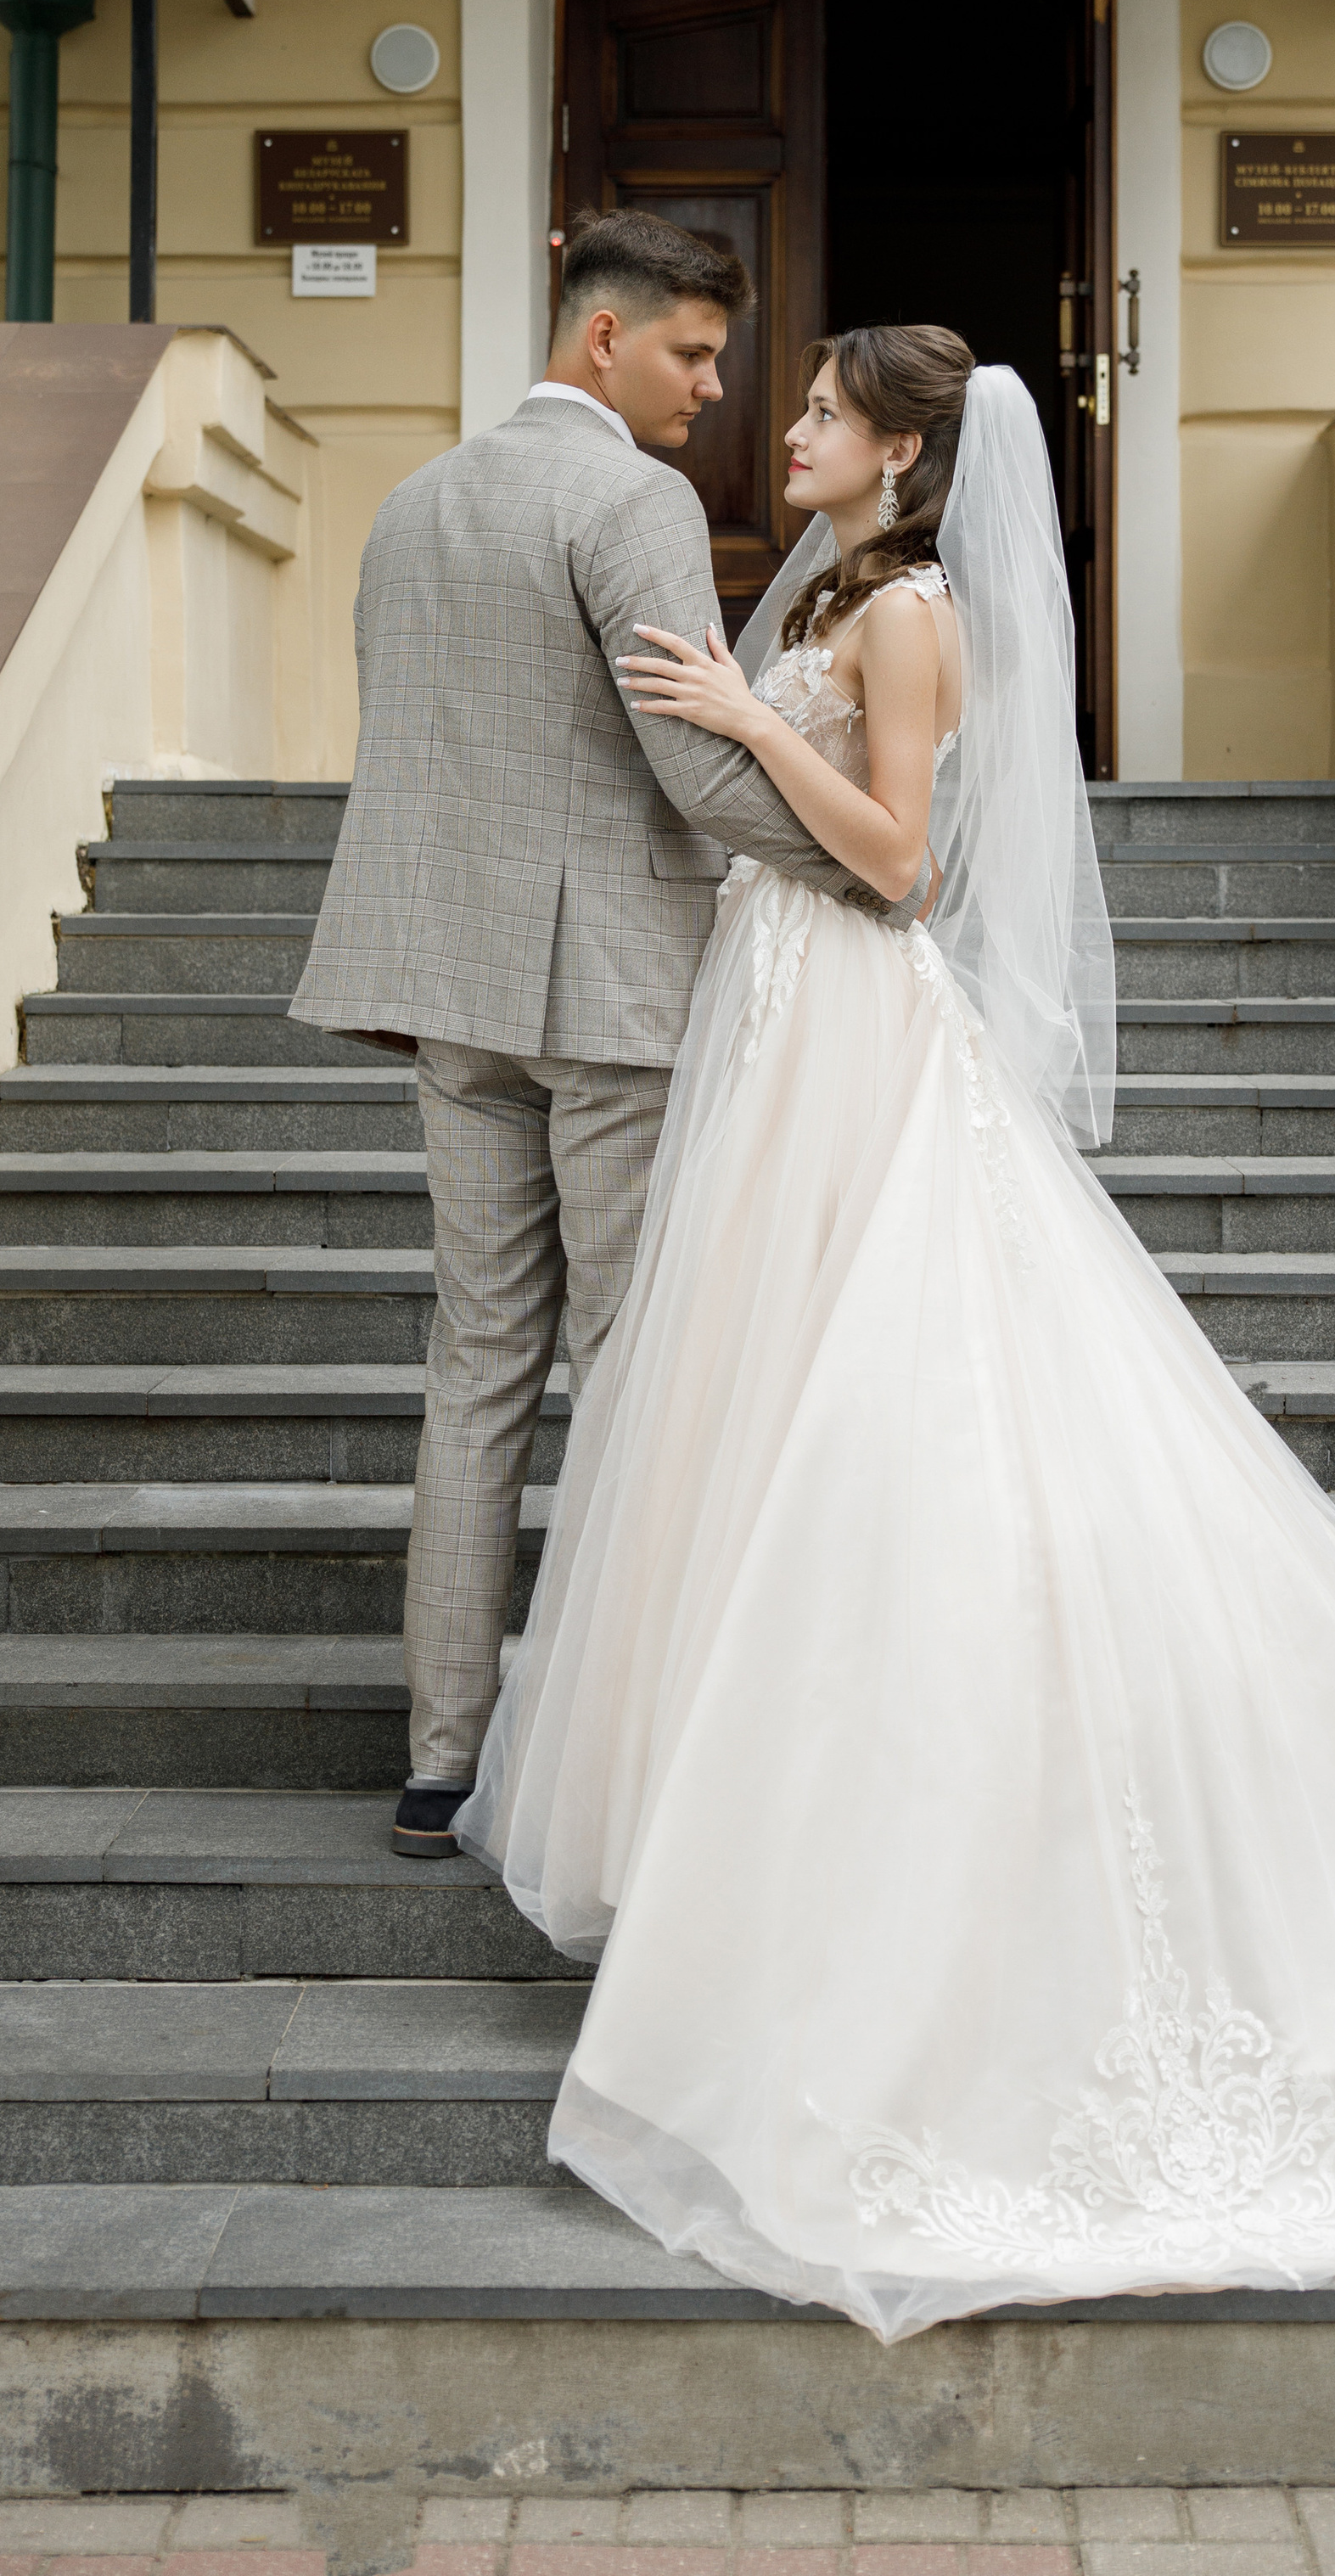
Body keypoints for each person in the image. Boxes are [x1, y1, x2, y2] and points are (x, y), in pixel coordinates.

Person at [457, 321, 1335, 2342]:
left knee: (882, 1418)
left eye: (823, 411)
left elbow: (901, 867)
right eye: (797, 405)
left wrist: (747, 729)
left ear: (904, 452)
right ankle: (736, 1837)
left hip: (855, 1038)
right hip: (772, 1031)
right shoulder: (821, 592)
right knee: (756, 1419)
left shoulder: (909, 613)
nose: (790, 429)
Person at [289, 213, 926, 1859]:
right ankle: (615, 1763)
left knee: (475, 1363)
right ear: (603, 339)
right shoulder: (632, 501)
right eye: (693, 354)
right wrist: (865, 875)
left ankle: (441, 1760)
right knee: (638, 1370)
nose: (714, 390)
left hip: (452, 989)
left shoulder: (412, 502)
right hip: (612, 998)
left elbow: (425, 740)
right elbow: (693, 769)